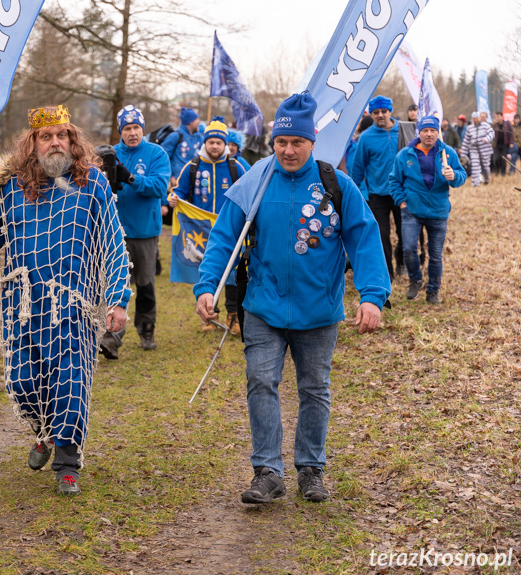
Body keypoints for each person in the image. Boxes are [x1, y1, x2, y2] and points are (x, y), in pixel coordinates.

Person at [194, 93, 390, 504]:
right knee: (261, 380)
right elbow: (223, 238)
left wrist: (372, 295)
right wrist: (208, 285)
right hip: (263, 307)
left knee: (315, 388)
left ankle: (310, 468)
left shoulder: (337, 185)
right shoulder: (256, 180)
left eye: (296, 143)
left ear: (312, 141)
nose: (287, 150)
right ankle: (267, 470)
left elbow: (365, 238)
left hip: (319, 311)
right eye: (281, 143)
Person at [0, 105, 131, 495]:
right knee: (22, 383)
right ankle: (44, 431)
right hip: (21, 308)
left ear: (72, 141)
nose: (54, 143)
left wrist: (118, 299)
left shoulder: (94, 186)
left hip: (73, 307)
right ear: (32, 143)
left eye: (61, 136)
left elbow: (114, 245)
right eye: (45, 136)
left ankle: (68, 464)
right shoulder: (13, 189)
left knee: (70, 384)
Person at [98, 105, 171, 359]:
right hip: (114, 231)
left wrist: (130, 179)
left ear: (142, 128)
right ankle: (111, 338)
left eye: (136, 128)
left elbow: (159, 187)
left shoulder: (156, 154)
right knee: (115, 285)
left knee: (145, 284)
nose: (132, 133)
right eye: (127, 128)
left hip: (145, 230)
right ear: (121, 131)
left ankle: (146, 328)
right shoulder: (110, 154)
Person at [169, 116, 247, 333]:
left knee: (231, 270)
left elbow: (248, 193)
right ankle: (210, 315)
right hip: (200, 229)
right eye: (211, 142)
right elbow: (179, 192)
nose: (215, 146)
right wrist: (173, 197)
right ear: (205, 143)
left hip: (230, 229)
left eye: (219, 142)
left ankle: (234, 315)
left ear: (225, 145)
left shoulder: (235, 167)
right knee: (206, 270)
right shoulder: (192, 166)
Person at [389, 115, 467, 305]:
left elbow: (462, 176)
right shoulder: (405, 154)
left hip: (438, 212)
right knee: (408, 249)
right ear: (419, 132)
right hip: (412, 211)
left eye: (433, 130)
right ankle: (415, 280)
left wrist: (453, 175)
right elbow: (394, 181)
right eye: (425, 130)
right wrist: (401, 202)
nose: (429, 134)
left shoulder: (447, 152)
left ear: (438, 132)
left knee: (435, 255)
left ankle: (433, 290)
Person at [350, 95, 405, 280]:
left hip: (402, 193)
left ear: (390, 111)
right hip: (377, 195)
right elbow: (358, 167)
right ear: (371, 114)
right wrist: (353, 192)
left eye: (384, 111)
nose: (380, 115)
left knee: (405, 233)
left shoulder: (404, 131)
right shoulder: (365, 138)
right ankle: (387, 272)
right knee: (381, 235)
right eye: (376, 112)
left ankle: (401, 259)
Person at [460, 111, 494, 187]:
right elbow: (466, 141)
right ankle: (475, 183)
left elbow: (492, 133)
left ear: (479, 118)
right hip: (474, 149)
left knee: (485, 166)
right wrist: (463, 153)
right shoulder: (469, 128)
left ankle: (486, 179)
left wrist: (487, 138)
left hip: (484, 149)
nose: (475, 120)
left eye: (477, 118)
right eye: (474, 119)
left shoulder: (486, 126)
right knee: (475, 166)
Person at [492, 112, 515, 176]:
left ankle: (503, 173)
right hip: (496, 145)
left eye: (498, 116)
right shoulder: (494, 125)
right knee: (496, 159)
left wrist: (511, 143)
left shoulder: (506, 124)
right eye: (496, 116)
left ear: (502, 116)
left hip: (505, 144)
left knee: (503, 159)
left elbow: (512, 133)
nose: (497, 118)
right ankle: (497, 170)